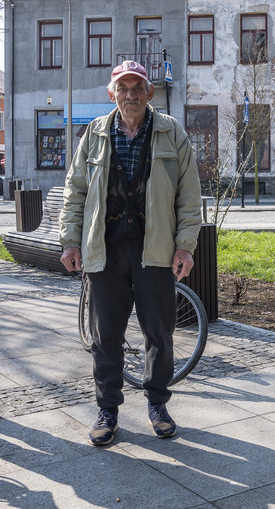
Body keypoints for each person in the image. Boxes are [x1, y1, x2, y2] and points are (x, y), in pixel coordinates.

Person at [59, 60, 203, 447]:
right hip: (105, 251)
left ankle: (158, 404)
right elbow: (76, 192)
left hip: (155, 250)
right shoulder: (95, 133)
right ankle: (107, 410)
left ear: (148, 93)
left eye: (137, 87)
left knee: (159, 334)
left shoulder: (172, 133)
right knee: (106, 336)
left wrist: (186, 246)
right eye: (123, 88)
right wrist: (70, 241)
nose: (131, 94)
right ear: (112, 95)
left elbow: (190, 197)